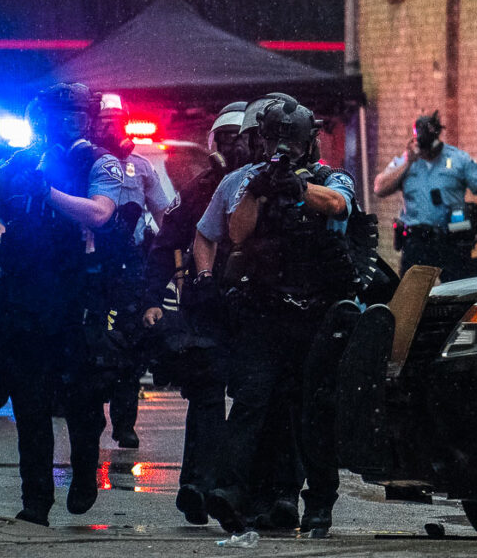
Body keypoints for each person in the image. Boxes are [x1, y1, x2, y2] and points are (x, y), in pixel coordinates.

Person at [195, 97, 357, 538]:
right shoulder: (247, 179)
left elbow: (340, 205)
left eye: (291, 141)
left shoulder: (329, 176)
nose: (282, 148)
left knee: (311, 414)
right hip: (265, 313)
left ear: (307, 143)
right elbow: (236, 232)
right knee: (251, 402)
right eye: (275, 140)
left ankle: (318, 503)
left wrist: (298, 189)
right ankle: (231, 490)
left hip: (317, 316)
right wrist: (261, 188)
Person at [0, 83, 123, 526]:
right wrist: (15, 182)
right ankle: (35, 501)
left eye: (73, 115)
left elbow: (99, 213)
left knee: (81, 398)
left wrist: (48, 190)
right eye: (57, 116)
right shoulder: (26, 157)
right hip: (24, 293)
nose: (65, 123)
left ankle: (83, 476)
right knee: (30, 403)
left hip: (75, 293)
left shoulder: (99, 160)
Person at [141, 101, 248, 525]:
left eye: (241, 139)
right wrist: (151, 298)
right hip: (204, 306)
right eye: (225, 139)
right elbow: (165, 245)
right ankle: (197, 486)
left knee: (253, 400)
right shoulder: (198, 190)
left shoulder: (268, 186)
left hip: (255, 308)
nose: (233, 148)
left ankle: (236, 488)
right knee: (205, 394)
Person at [90, 94, 173, 449]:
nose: (112, 128)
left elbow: (165, 212)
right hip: (93, 263)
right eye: (104, 121)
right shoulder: (85, 162)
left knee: (130, 346)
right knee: (91, 343)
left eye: (116, 121)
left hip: (131, 264)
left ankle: (125, 423)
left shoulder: (141, 167)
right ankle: (90, 417)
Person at [373, 110, 477, 281]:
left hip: (451, 240)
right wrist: (408, 162)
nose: (425, 153)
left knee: (458, 293)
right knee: (413, 296)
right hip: (417, 241)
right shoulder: (406, 161)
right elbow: (379, 188)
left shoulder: (457, 159)